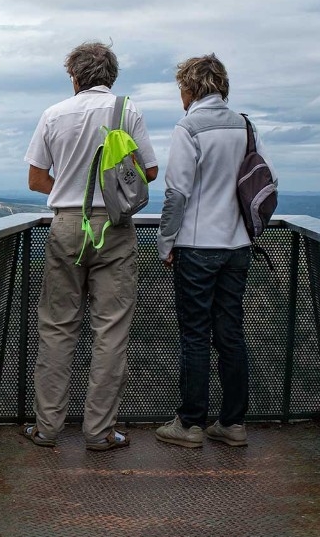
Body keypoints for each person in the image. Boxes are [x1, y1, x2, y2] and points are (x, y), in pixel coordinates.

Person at [23, 41, 158, 451]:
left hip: (66, 225)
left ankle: (47, 428)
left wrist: (71, 189)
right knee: (110, 331)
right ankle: (99, 432)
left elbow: (35, 178)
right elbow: (149, 170)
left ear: (75, 77)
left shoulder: (53, 114)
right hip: (115, 227)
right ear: (111, 77)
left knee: (57, 328)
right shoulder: (127, 111)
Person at [155, 54, 277, 449]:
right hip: (238, 244)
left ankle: (190, 424)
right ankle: (232, 423)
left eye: (181, 89)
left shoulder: (189, 127)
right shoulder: (245, 126)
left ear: (189, 89)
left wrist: (165, 241)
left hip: (196, 245)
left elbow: (177, 191)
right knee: (230, 333)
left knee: (194, 335)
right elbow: (263, 177)